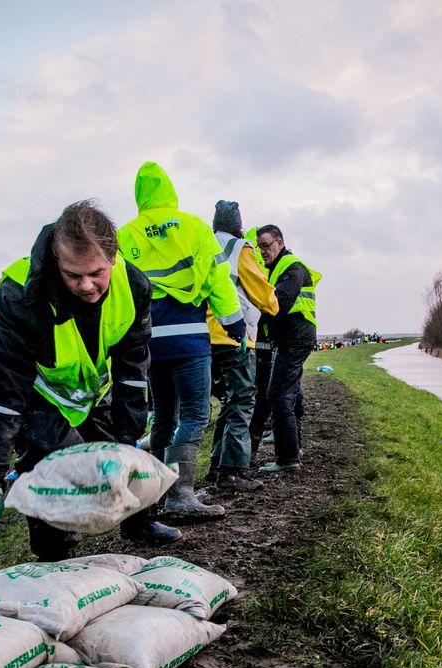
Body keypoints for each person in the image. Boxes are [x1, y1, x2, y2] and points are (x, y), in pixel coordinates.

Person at [0, 199, 178, 556]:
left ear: (113, 256)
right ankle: (55, 552)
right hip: (42, 397)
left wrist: (128, 437)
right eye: (73, 275)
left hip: (93, 394)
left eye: (96, 273)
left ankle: (138, 519)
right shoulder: (20, 295)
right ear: (56, 261)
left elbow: (132, 371)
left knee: (123, 456)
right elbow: (3, 389)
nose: (86, 286)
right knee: (53, 467)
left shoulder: (135, 287)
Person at [117, 162, 247, 519]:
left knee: (162, 416)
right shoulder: (194, 227)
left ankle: (157, 493)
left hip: (148, 341)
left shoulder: (127, 234)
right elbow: (219, 277)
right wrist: (233, 321)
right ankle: (181, 494)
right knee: (195, 412)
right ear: (170, 190)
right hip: (189, 337)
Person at [207, 200, 277, 490]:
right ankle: (232, 471)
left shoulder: (203, 243)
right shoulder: (240, 248)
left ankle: (216, 465)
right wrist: (273, 305)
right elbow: (262, 292)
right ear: (238, 224)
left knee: (227, 401)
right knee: (243, 399)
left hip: (203, 335)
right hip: (234, 333)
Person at [255, 224, 321, 473]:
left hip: (295, 339)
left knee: (278, 394)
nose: (263, 251)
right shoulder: (276, 268)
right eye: (260, 247)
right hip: (290, 339)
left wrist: (253, 316)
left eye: (267, 245)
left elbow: (279, 304)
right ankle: (293, 450)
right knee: (289, 393)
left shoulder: (290, 266)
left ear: (279, 243)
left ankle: (287, 458)